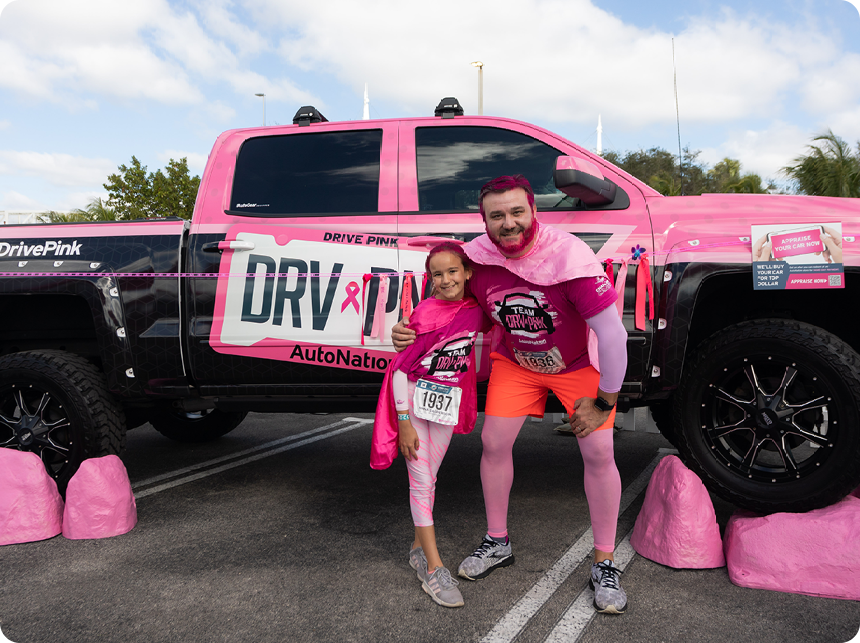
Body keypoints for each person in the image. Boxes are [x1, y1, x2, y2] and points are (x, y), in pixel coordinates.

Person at [391, 175, 630, 614]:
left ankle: (605, 561)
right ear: (483, 221)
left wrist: (604, 402)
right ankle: (497, 541)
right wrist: (410, 330)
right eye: (497, 216)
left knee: (599, 452)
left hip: (576, 366)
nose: (509, 223)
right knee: (494, 443)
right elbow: (458, 310)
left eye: (517, 212)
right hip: (517, 363)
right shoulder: (477, 260)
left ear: (533, 211)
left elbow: (613, 336)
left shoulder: (570, 258)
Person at [370, 242, 491, 608]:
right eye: (437, 274)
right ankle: (434, 571)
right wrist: (404, 423)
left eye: (453, 271)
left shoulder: (476, 310)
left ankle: (417, 548)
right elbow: (398, 372)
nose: (446, 279)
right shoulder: (424, 314)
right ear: (430, 278)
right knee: (421, 483)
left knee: (430, 480)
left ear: (468, 272)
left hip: (443, 406)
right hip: (411, 401)